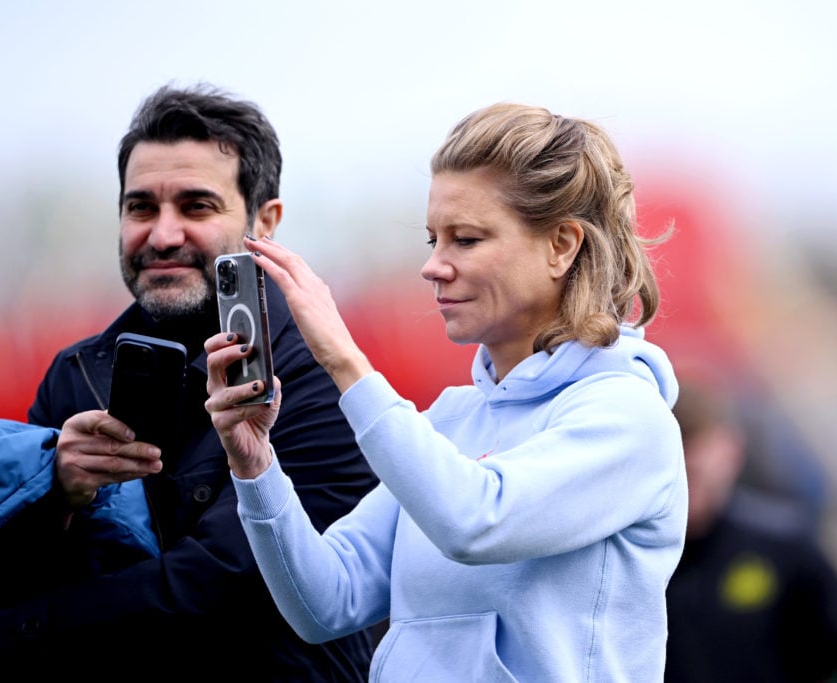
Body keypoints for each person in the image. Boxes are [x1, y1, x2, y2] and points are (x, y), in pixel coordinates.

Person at [0, 83, 378, 681]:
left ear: (267, 220)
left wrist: (3, 647)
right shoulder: (74, 375)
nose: (162, 235)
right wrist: (56, 498)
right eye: (141, 208)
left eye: (196, 206)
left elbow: (232, 579)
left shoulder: (322, 374)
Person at [204, 102, 688, 681]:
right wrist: (255, 467)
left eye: (465, 239)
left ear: (561, 245)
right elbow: (324, 603)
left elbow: (477, 520)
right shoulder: (446, 422)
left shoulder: (628, 415)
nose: (433, 266)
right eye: (434, 239)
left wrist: (345, 360)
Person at [664, 379, 837, 682]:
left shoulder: (783, 544)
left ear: (731, 451)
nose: (685, 476)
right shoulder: (621, 558)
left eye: (694, 472)